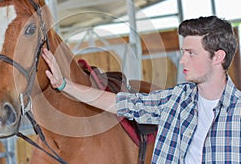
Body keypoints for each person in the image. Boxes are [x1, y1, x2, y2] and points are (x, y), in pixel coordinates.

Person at [41, 16, 241, 163]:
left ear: (218, 57)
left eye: (191, 53)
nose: (182, 60)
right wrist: (64, 84)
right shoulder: (176, 100)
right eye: (183, 52)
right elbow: (120, 103)